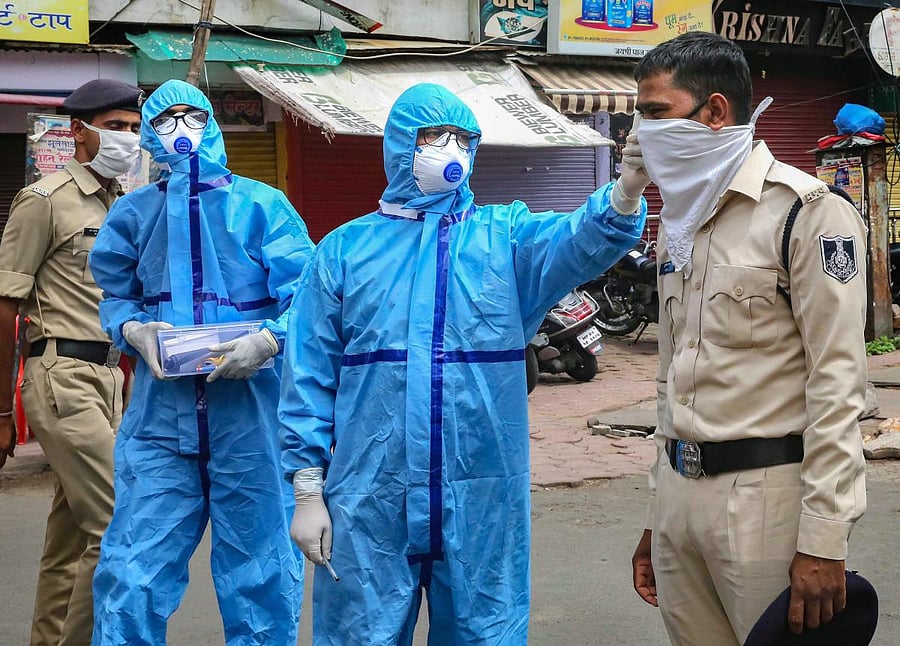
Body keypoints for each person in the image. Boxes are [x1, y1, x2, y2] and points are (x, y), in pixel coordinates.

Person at [279, 82, 648, 644]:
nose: (450, 149)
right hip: (372, 499)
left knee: (485, 632)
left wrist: (626, 189)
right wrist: (307, 488)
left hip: (481, 497)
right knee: (362, 633)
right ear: (401, 144)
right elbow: (308, 374)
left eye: (464, 139)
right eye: (434, 136)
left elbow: (577, 240)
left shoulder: (507, 240)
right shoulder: (344, 251)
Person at [628, 32, 868, 646]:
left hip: (766, 500)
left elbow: (838, 382)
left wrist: (824, 538)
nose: (642, 133)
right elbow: (670, 380)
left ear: (715, 111)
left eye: (655, 113)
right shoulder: (679, 223)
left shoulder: (806, 211)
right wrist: (659, 516)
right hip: (681, 498)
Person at [88, 80, 313, 645]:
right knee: (132, 573)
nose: (180, 130)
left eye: (192, 117)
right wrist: (133, 329)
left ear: (212, 124)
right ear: (150, 133)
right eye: (166, 120)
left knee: (262, 577)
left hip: (251, 419)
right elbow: (115, 295)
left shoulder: (261, 207)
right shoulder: (134, 213)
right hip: (160, 424)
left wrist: (270, 339)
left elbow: (308, 300)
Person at [0, 78, 142, 645]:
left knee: (70, 538)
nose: (128, 138)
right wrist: (2, 413)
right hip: (61, 376)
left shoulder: (123, 202)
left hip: (108, 378)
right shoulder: (43, 200)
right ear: (79, 131)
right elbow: (5, 306)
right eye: (115, 127)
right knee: (116, 524)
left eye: (134, 128)